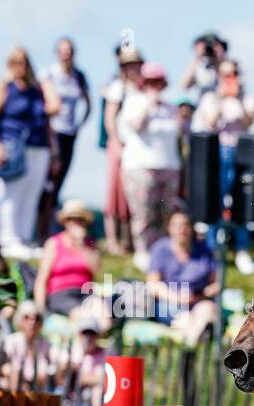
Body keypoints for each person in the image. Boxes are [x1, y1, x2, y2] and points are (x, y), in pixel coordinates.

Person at [0, 47, 59, 257]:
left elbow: (53, 109)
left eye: (23, 61)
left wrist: (54, 152)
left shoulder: (37, 89)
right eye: (15, 61)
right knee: (10, 194)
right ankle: (8, 239)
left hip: (38, 146)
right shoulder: (3, 87)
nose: (20, 66)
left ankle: (24, 238)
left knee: (31, 194)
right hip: (12, 146)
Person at [192, 58, 254, 274]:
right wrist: (220, 97)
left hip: (241, 153)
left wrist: (237, 98)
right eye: (226, 75)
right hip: (218, 152)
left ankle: (241, 249)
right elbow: (210, 122)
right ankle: (213, 249)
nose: (230, 79)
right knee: (215, 200)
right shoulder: (210, 97)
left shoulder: (245, 98)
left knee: (241, 201)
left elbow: (248, 123)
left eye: (233, 74)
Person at [119, 61, 181, 270]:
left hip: (169, 165)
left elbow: (179, 135)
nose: (154, 85)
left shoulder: (170, 107)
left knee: (166, 213)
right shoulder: (133, 102)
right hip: (140, 165)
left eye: (158, 81)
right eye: (151, 81)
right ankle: (142, 250)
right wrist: (149, 103)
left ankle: (161, 251)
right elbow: (136, 125)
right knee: (143, 212)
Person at [38, 37, 90, 230]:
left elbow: (87, 103)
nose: (66, 54)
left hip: (69, 134)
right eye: (62, 50)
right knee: (47, 180)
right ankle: (40, 226)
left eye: (69, 50)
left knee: (59, 181)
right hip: (51, 133)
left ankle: (49, 225)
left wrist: (79, 124)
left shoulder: (79, 76)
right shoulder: (48, 74)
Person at [146, 209, 219, 343]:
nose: (182, 229)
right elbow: (153, 285)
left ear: (191, 228)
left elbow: (216, 284)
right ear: (169, 228)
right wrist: (178, 298)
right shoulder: (160, 249)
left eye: (185, 225)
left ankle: (193, 338)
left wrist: (201, 294)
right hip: (170, 301)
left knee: (208, 310)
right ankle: (195, 339)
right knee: (184, 316)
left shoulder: (205, 250)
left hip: (199, 299)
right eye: (177, 225)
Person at [34, 198, 102, 326]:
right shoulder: (54, 244)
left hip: (86, 293)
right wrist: (40, 309)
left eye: (80, 220)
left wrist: (82, 245)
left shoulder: (90, 244)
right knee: (81, 317)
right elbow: (42, 279)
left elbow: (96, 269)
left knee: (103, 319)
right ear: (65, 222)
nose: (76, 223)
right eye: (72, 219)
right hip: (61, 294)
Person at [102, 44, 142, 256]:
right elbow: (110, 117)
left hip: (136, 149)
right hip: (120, 145)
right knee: (114, 194)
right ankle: (112, 239)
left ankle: (129, 240)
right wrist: (115, 141)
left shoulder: (141, 88)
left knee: (130, 195)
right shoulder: (117, 87)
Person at [0, 299, 57, 390]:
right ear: (20, 320)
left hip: (39, 389)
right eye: (27, 317)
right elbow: (4, 367)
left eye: (37, 318)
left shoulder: (46, 344)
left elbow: (54, 368)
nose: (32, 322)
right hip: (14, 387)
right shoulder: (11, 340)